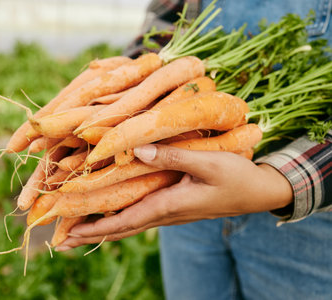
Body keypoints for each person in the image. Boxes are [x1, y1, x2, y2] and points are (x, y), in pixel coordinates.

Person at [55, 1, 332, 299]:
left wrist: (274, 184)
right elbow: (170, 14)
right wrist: (134, 81)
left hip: (309, 217)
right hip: (177, 189)